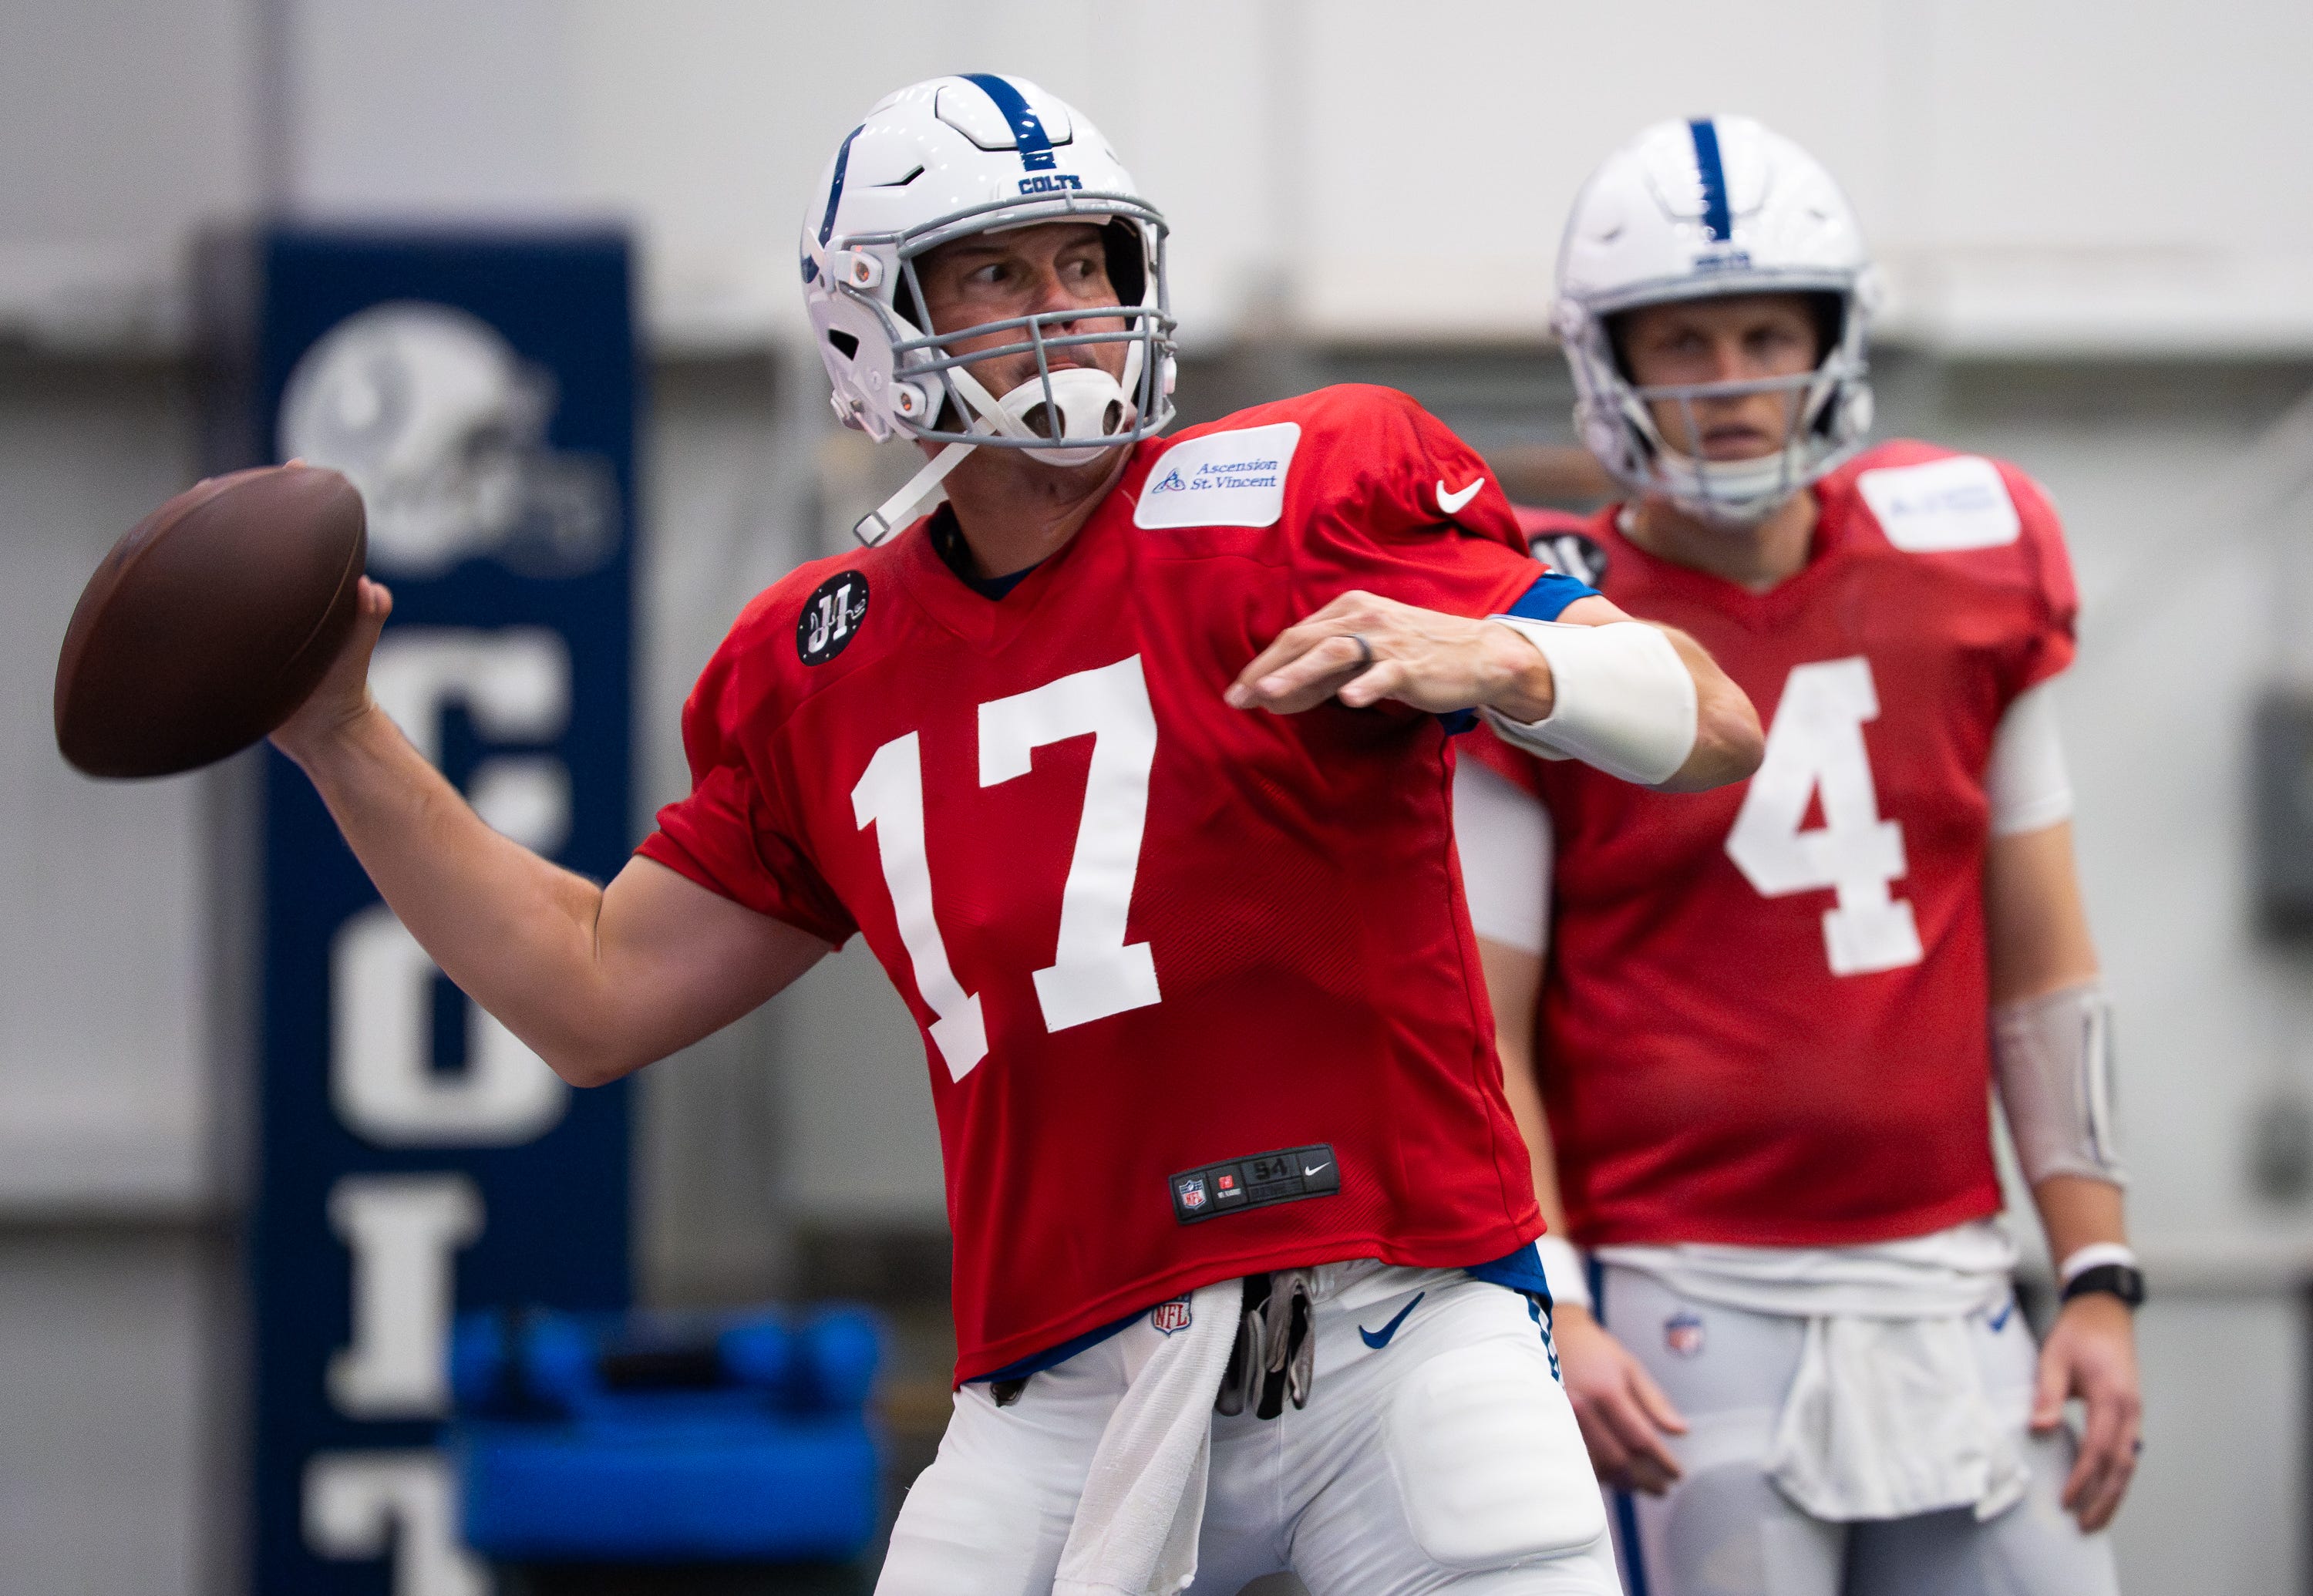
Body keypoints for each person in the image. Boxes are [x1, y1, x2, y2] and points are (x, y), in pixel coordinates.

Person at [271, 76, 1763, 1595]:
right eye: (997, 271)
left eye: (1089, 264)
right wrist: (339, 731)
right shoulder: (820, 665)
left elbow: (1714, 720)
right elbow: (592, 993)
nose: (1065, 310)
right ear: (873, 317)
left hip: (1396, 1315)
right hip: (1063, 1383)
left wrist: (1519, 663)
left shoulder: (1297, 498)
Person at [1455, 116, 2142, 1596]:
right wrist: (1552, 1298)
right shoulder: (1555, 618)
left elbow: (2046, 972)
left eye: (1768, 330)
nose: (1734, 381)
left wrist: (2096, 1270)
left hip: (1957, 1287)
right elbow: (1477, 1021)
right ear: (1611, 365)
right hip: (1686, 1304)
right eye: (1685, 341)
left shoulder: (1970, 555)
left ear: (1836, 336)